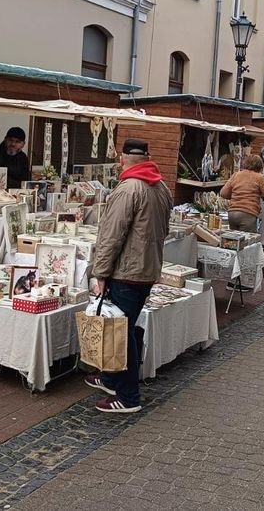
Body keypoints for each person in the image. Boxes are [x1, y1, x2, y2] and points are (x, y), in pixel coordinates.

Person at [86, 138, 172, 414]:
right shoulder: (161, 187)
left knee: (120, 332)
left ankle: (127, 396)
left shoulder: (128, 189)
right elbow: (164, 230)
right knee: (124, 326)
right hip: (146, 269)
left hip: (127, 271)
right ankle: (111, 378)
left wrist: (99, 272)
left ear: (122, 159)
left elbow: (111, 236)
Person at [219, 154, 264, 233]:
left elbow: (223, 193)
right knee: (247, 242)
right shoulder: (259, 177)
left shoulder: (236, 175)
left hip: (232, 214)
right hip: (248, 214)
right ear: (260, 166)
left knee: (233, 241)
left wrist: (237, 194)